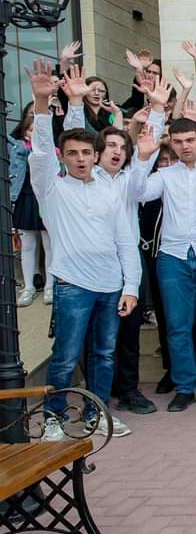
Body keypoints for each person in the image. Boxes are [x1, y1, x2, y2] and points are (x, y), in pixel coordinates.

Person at [26, 59, 140, 440]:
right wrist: (42, 104)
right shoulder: (52, 189)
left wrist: (131, 287)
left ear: (95, 155)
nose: (80, 159)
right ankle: (54, 418)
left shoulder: (109, 190)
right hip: (72, 285)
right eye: (72, 153)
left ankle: (96, 414)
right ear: (64, 157)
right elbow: (42, 153)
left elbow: (125, 242)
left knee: (103, 356)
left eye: (86, 153)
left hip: (110, 286)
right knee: (65, 357)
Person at [130, 108, 196, 413]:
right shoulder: (164, 175)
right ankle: (184, 387)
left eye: (190, 140)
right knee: (177, 326)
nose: (184, 146)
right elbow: (137, 192)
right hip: (173, 257)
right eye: (178, 141)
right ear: (171, 143)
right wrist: (142, 157)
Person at [10, 103, 52, 307]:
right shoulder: (19, 149)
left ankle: (50, 286)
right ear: (25, 132)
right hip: (26, 197)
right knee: (27, 245)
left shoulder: (54, 150)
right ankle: (28, 287)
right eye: (31, 130)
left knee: (49, 244)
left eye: (39, 130)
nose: (35, 134)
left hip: (47, 199)